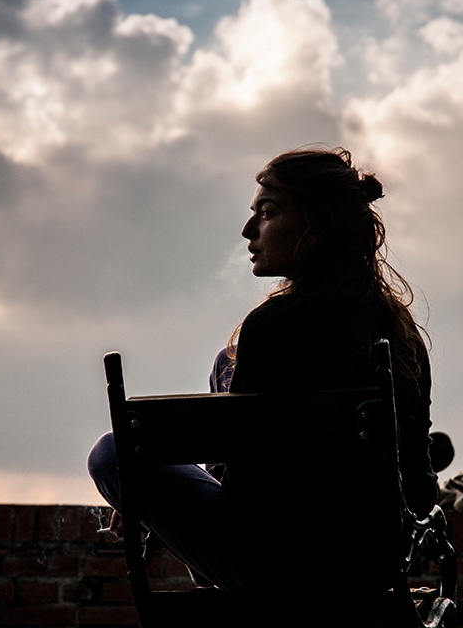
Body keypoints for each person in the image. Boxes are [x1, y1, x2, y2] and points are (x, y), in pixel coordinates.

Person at [88, 147, 437, 596]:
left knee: (112, 451)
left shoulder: (275, 327)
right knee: (225, 361)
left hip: (281, 569)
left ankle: (206, 562)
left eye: (268, 212)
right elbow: (419, 484)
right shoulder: (399, 333)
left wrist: (165, 505)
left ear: (317, 225)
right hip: (375, 565)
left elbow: (249, 492)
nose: (249, 229)